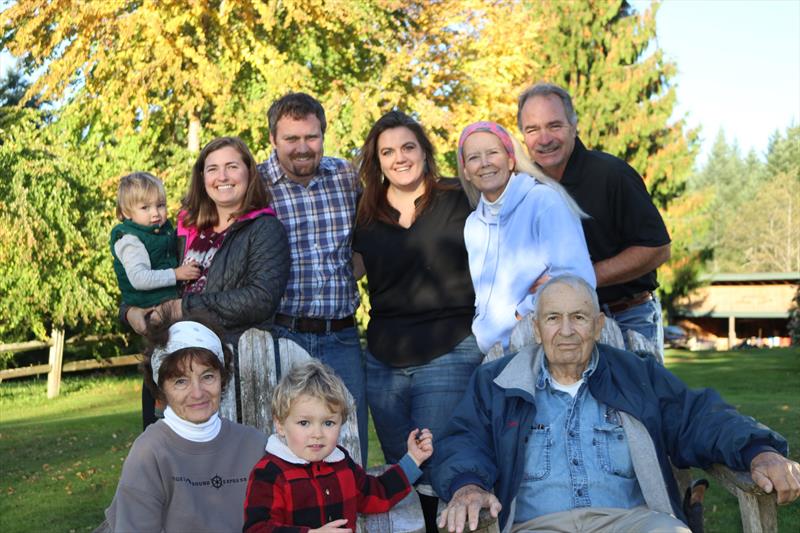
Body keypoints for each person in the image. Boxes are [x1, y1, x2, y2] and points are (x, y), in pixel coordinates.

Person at [434, 275, 800, 533]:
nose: (565, 331)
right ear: (536, 329)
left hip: (633, 522)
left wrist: (758, 451)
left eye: (578, 318)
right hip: (536, 525)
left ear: (597, 325)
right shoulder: (498, 382)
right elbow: (464, 439)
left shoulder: (636, 376)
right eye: (553, 318)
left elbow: (699, 417)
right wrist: (468, 486)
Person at [352, 110, 481, 531]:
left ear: (424, 151)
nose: (399, 158)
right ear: (377, 160)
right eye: (387, 151)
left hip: (447, 346)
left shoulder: (458, 198)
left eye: (408, 147)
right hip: (384, 358)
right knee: (402, 470)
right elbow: (351, 268)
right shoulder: (366, 212)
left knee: (438, 458)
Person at [517, 83, 671, 356]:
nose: (544, 139)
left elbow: (657, 248)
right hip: (555, 325)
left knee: (634, 399)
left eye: (554, 126)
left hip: (625, 317)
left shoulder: (612, 174)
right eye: (532, 129)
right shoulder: (524, 188)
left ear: (574, 126)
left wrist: (579, 277)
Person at [257, 93, 367, 461]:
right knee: (285, 449)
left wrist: (357, 266)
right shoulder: (254, 185)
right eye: (291, 139)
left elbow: (372, 233)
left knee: (349, 444)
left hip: (341, 335)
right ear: (273, 139)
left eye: (311, 137)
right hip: (282, 334)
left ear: (323, 134)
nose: (302, 148)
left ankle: (351, 520)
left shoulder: (346, 178)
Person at [100, 316, 267, 532]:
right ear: (162, 389)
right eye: (181, 381)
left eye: (207, 377)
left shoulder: (254, 445)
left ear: (222, 378)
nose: (197, 393)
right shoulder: (150, 453)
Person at [124, 136, 290, 339]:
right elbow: (152, 272)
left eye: (232, 167)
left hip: (235, 352)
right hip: (177, 350)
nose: (222, 177)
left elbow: (260, 299)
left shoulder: (265, 229)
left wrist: (182, 308)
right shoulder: (186, 227)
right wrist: (128, 311)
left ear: (249, 172)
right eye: (213, 169)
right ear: (202, 178)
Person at [243, 360, 433, 532]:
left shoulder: (341, 463)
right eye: (304, 423)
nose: (317, 434)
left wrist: (413, 460)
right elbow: (257, 528)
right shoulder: (269, 473)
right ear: (280, 425)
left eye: (328, 423)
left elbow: (375, 494)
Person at [456, 121, 595, 354]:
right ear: (466, 172)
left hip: (538, 347)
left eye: (493, 153)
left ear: (511, 160)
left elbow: (578, 278)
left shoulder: (543, 202)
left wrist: (521, 313)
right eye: (474, 158)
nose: (485, 163)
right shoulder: (473, 225)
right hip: (490, 353)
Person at [110, 171, 201, 429]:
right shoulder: (130, 240)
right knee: (164, 359)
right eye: (145, 207)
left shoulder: (158, 232)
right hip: (151, 306)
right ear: (127, 213)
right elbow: (139, 278)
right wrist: (177, 274)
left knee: (176, 356)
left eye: (160, 205)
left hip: (166, 305)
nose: (155, 213)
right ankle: (161, 408)